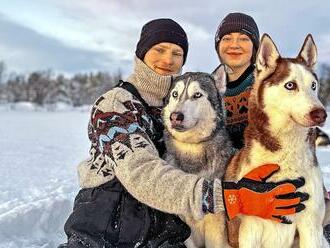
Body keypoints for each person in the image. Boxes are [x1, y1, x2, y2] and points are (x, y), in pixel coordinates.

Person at [61, 18, 307, 248]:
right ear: (141, 52)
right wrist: (230, 197)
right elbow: (141, 173)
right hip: (107, 214)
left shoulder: (173, 102)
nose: (167, 59)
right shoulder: (116, 104)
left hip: (161, 221)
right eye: (159, 49)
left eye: (176, 53)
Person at [213, 11, 330, 243]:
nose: (235, 44)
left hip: (279, 166)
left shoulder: (268, 79)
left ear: (257, 51)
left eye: (244, 38)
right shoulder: (209, 87)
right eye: (227, 38)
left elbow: (302, 141)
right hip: (224, 189)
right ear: (218, 45)